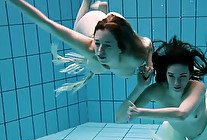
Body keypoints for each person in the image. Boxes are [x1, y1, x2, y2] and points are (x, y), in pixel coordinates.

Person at [7, 0, 153, 94]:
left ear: (121, 48)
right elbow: (47, 24)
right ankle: (88, 2)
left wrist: (150, 64)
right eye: (98, 44)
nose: (100, 51)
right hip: (92, 23)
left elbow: (149, 44)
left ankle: (102, 8)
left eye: (107, 46)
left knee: (101, 63)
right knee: (77, 28)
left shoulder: (136, 52)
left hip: (116, 27)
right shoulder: (91, 49)